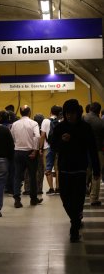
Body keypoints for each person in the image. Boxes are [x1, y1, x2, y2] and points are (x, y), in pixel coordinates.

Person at [50, 99, 100, 242]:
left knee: (78, 200)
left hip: (79, 169)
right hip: (64, 169)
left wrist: (96, 170)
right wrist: (61, 141)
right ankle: (75, 218)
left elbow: (92, 149)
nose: (70, 116)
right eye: (67, 113)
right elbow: (53, 146)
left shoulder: (85, 128)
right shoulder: (60, 128)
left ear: (78, 113)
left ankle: (74, 226)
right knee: (65, 199)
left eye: (72, 113)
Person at [10, 105, 43, 208]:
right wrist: (35, 150)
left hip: (18, 152)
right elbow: (37, 136)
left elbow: (12, 137)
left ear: (20, 113)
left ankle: (17, 200)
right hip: (30, 153)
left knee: (17, 176)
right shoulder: (34, 123)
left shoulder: (14, 124)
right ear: (29, 113)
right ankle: (33, 199)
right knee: (32, 176)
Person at [83, 102, 104, 206]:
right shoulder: (100, 122)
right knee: (97, 173)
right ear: (99, 111)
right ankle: (93, 198)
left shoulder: (82, 119)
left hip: (83, 150)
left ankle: (83, 189)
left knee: (85, 170)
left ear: (90, 109)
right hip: (97, 150)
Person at [39, 105, 62, 195]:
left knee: (47, 168)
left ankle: (51, 189)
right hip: (59, 148)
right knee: (58, 168)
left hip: (47, 147)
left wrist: (40, 148)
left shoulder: (45, 121)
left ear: (50, 112)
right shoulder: (61, 121)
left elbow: (42, 136)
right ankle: (58, 188)